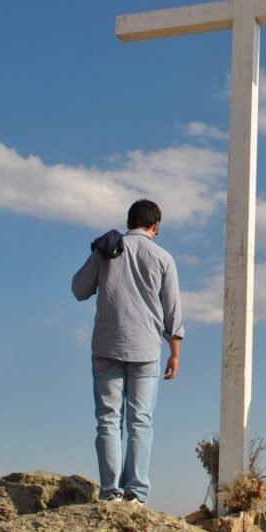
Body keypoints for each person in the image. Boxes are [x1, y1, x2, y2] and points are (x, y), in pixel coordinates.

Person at [72, 199, 184, 505]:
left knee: (108, 419)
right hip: (146, 348)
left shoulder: (108, 249)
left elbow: (79, 290)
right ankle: (136, 493)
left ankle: (111, 492)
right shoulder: (163, 257)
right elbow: (172, 311)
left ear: (128, 221)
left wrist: (96, 255)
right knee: (140, 421)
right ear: (156, 225)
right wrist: (175, 353)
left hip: (108, 344)